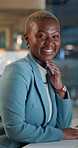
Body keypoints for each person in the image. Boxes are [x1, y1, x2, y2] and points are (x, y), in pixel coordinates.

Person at [0, 10, 78, 148]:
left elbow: (63, 126)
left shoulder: (50, 73)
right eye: (42, 36)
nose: (50, 43)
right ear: (27, 39)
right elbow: (15, 130)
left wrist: (60, 89)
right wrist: (59, 134)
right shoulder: (17, 71)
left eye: (55, 36)